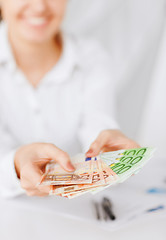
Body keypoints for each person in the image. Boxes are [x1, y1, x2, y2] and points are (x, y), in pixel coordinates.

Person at [0, 0, 139, 198]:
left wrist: (110, 154)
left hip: (78, 213)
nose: (39, 6)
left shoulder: (92, 58)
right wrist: (16, 163)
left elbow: (97, 129)